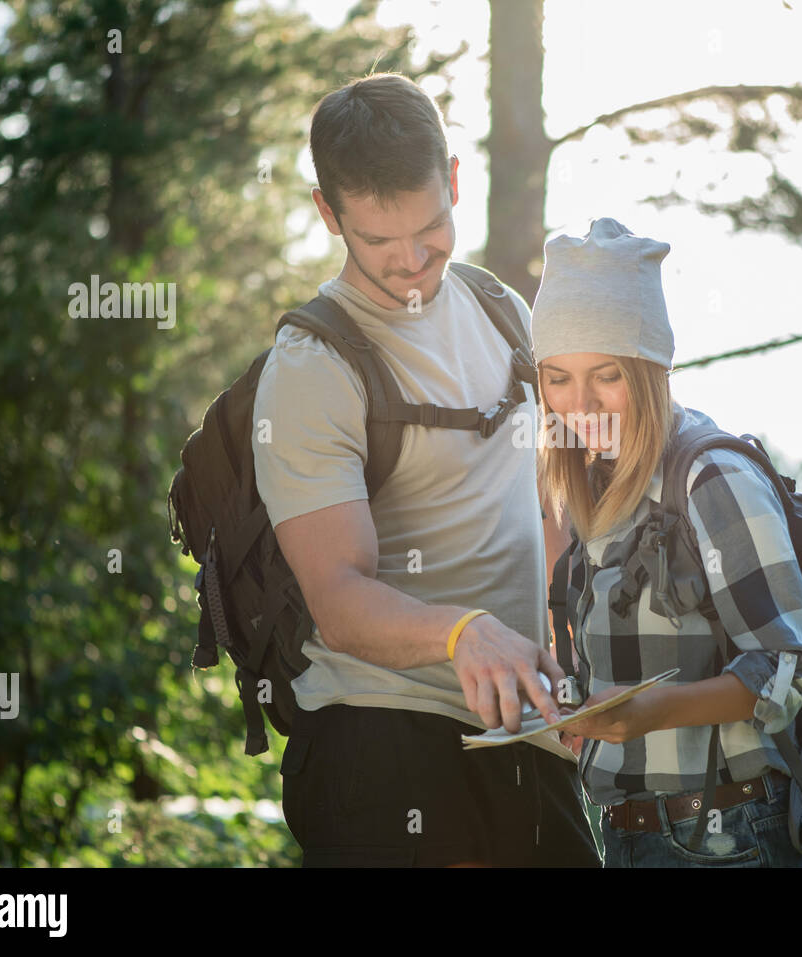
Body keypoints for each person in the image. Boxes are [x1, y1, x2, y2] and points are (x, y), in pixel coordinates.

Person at [251, 73, 599, 867]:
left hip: (527, 734)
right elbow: (338, 599)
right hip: (382, 738)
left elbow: (546, 504)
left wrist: (573, 652)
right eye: (379, 242)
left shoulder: (502, 308)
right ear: (328, 214)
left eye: (431, 229)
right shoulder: (312, 368)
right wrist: (463, 631)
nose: (411, 262)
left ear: (452, 180)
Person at [531, 217, 802, 867]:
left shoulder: (708, 475)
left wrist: (656, 710)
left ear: (648, 368)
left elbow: (796, 663)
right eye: (557, 377)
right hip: (633, 838)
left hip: (730, 838)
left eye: (605, 373)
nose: (578, 402)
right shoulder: (590, 487)